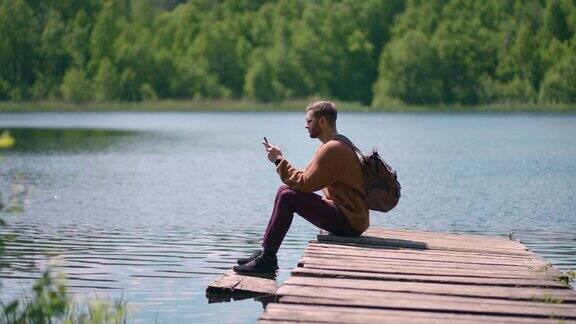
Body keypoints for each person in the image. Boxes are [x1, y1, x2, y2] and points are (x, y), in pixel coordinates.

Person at [233, 100, 369, 275]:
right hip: (350, 216)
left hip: (350, 221)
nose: (306, 126)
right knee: (285, 191)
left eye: (309, 121)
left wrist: (279, 160)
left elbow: (304, 184)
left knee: (287, 196)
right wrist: (280, 160)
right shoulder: (332, 145)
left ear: (322, 121)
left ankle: (267, 260)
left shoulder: (334, 149)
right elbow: (304, 178)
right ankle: (266, 253)